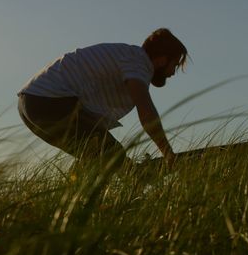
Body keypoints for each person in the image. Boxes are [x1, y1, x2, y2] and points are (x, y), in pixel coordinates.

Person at [18, 28, 189, 168]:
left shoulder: (128, 56)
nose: (173, 73)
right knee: (113, 157)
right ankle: (136, 182)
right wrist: (168, 153)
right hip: (49, 101)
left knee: (95, 157)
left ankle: (71, 203)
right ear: (161, 60)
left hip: (29, 104)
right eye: (174, 64)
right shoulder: (139, 62)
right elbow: (146, 112)